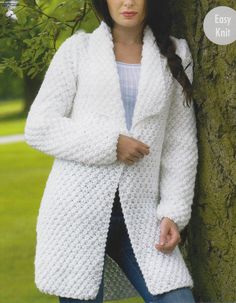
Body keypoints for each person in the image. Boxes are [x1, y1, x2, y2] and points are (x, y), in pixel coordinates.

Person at [24, 0, 199, 303]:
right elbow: (39, 127)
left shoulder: (175, 52)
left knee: (178, 298)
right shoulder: (78, 50)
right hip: (76, 213)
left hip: (143, 215)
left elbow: (179, 141)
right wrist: (110, 144)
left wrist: (173, 211)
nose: (128, 2)